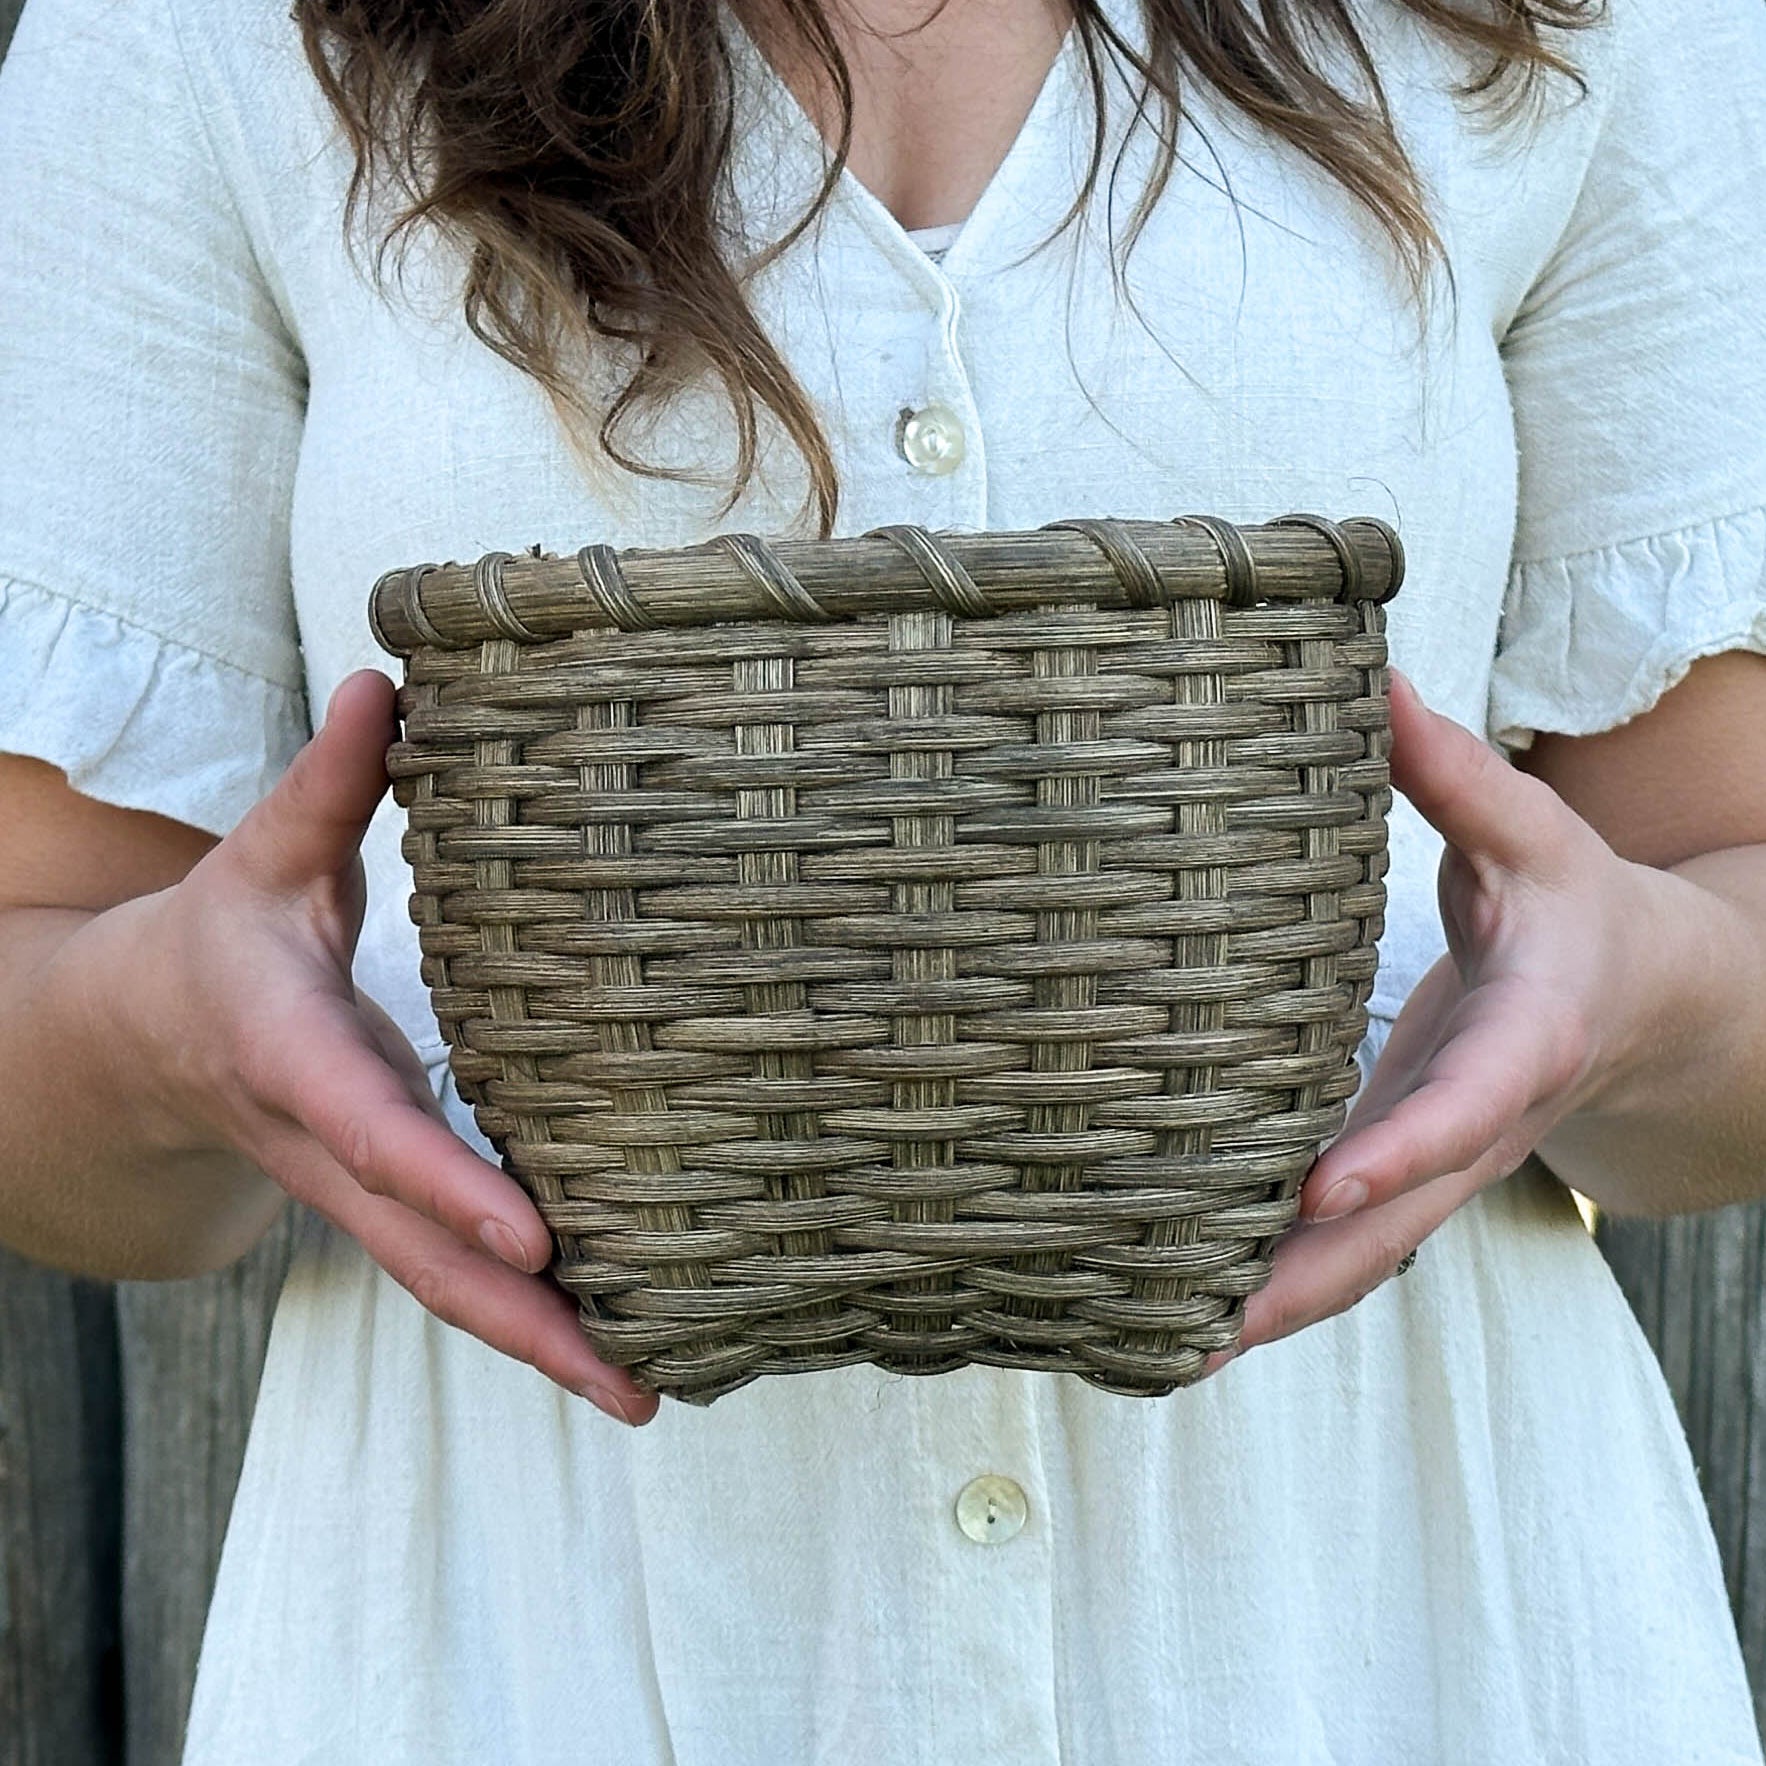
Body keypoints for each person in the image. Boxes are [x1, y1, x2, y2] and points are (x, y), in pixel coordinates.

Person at [1, 0, 1763, 1752]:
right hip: (520, 1652)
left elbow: (1720, 904)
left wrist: (1626, 1001)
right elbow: (50, 1009)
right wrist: (177, 1032)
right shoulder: (200, 36)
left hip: (1378, 1636)